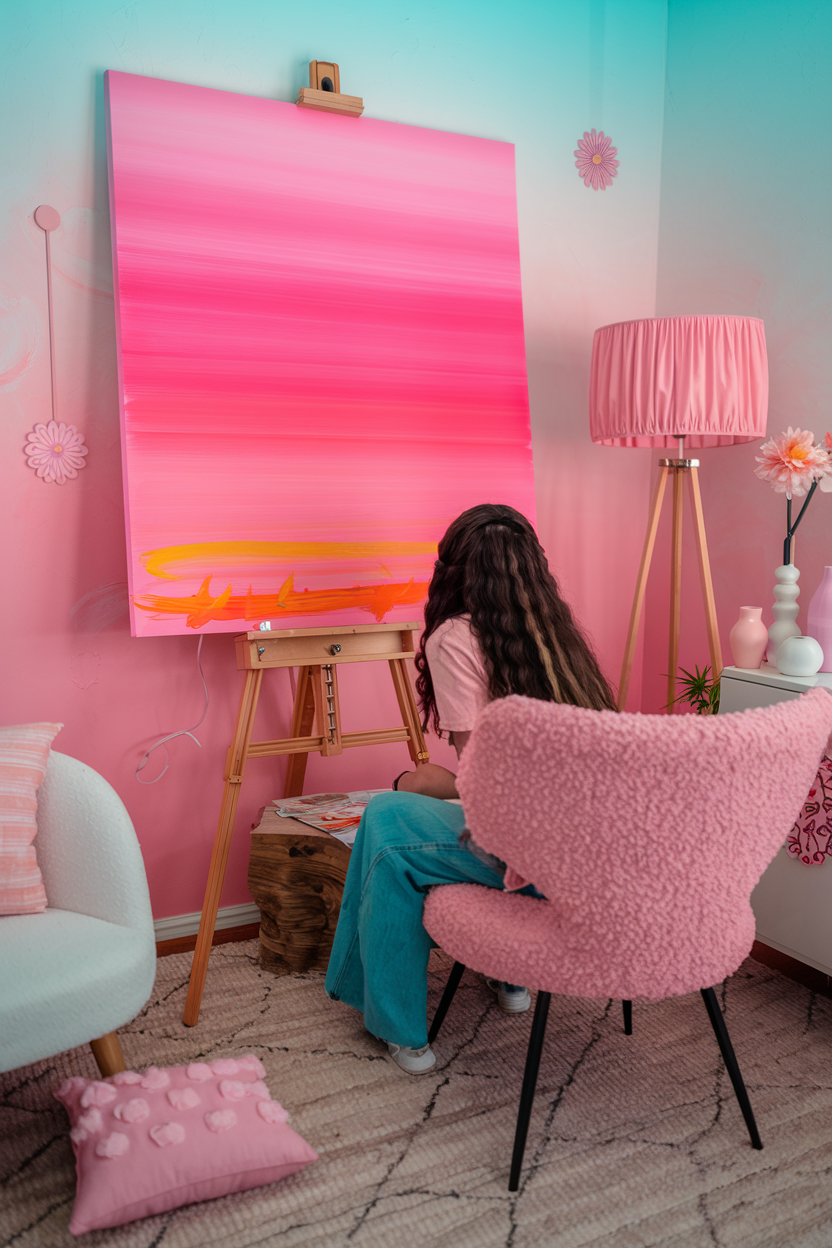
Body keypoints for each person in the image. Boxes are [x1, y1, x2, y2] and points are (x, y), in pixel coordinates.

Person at [324, 503, 616, 1073]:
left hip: (531, 858)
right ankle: (508, 975)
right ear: (534, 567)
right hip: (590, 855)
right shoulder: (557, 635)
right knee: (414, 814)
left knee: (387, 818)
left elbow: (487, 789)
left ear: (452, 569)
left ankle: (399, 1028)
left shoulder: (455, 637)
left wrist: (426, 784)